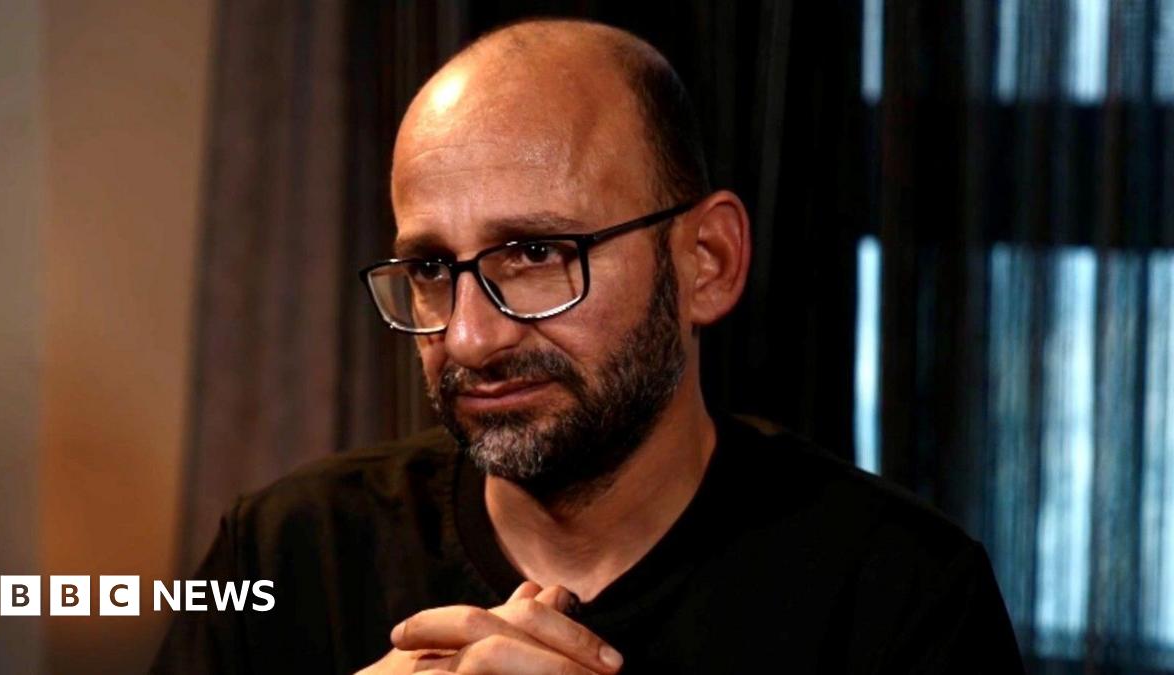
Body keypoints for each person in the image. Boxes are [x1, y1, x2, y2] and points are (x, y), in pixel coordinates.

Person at [151, 18, 1025, 675]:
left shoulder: (903, 598)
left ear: (706, 263)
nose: (468, 336)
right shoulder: (281, 550)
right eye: (427, 266)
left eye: (535, 254)